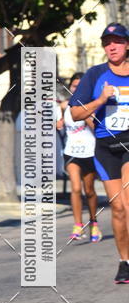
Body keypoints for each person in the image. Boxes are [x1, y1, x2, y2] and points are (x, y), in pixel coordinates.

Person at [69, 23, 129, 283]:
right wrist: (100, 101)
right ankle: (124, 261)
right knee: (117, 209)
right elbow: (75, 113)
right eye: (107, 42)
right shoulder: (95, 75)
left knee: (128, 204)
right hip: (105, 148)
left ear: (127, 44)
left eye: (117, 41)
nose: (111, 46)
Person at [56, 72, 101, 242]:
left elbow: (97, 129)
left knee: (89, 191)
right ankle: (77, 225)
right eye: (74, 86)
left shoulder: (92, 106)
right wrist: (58, 124)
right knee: (76, 188)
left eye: (80, 86)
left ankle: (94, 222)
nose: (77, 88)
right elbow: (62, 123)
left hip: (89, 152)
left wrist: (89, 117)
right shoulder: (65, 106)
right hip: (71, 152)